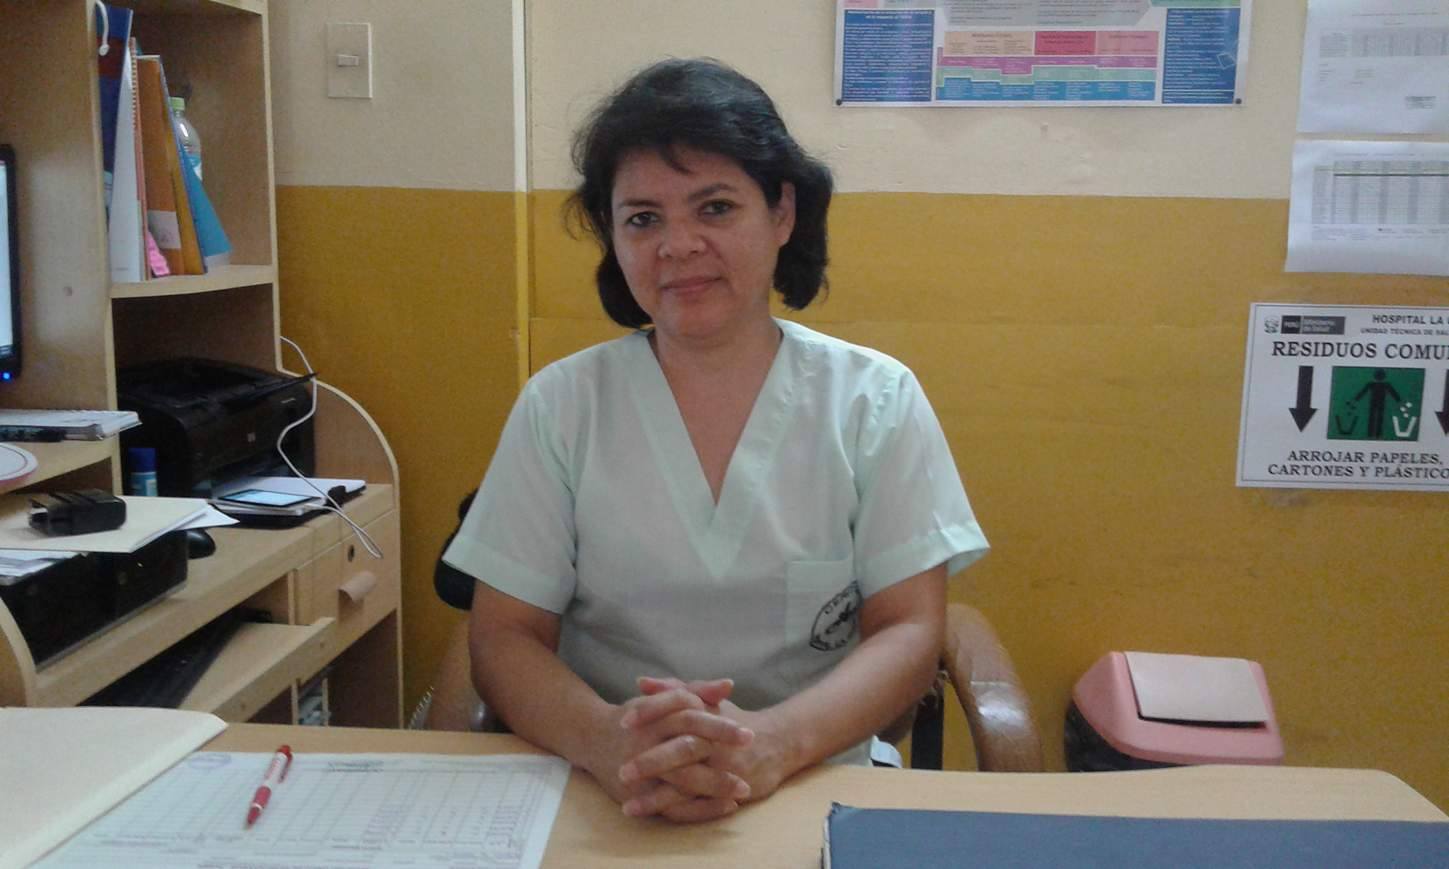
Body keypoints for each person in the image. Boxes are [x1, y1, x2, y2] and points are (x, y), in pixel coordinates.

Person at [443, 57, 988, 823]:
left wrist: (773, 743)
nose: (678, 244)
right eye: (642, 218)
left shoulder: (874, 399)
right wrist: (608, 741)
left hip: (813, 779)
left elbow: (909, 627)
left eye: (715, 207)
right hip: (604, 789)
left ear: (782, 212)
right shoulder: (561, 405)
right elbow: (505, 636)